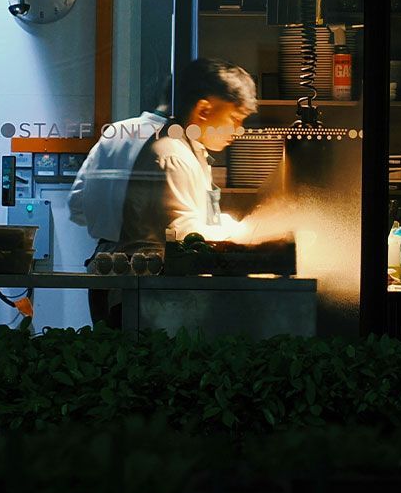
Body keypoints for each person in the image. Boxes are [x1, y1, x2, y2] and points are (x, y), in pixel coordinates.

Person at [118, 58, 258, 252]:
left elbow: (206, 219)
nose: (238, 130)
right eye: (235, 119)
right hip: (157, 275)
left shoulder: (192, 150)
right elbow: (184, 234)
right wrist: (248, 235)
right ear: (203, 110)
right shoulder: (173, 156)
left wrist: (241, 227)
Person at [68, 83, 170, 327]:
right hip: (152, 271)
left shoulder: (117, 131)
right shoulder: (176, 141)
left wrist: (109, 223)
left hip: (103, 265)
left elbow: (76, 204)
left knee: (107, 355)